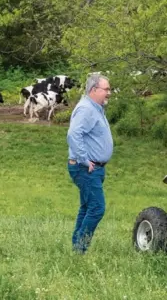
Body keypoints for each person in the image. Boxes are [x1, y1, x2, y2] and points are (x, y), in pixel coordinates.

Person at [67, 74, 113, 254]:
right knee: (97, 208)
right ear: (94, 90)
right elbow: (73, 134)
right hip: (86, 168)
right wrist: (84, 160)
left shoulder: (96, 108)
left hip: (95, 168)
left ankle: (76, 247)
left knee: (87, 207)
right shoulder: (86, 109)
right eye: (106, 89)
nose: (109, 93)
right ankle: (80, 248)